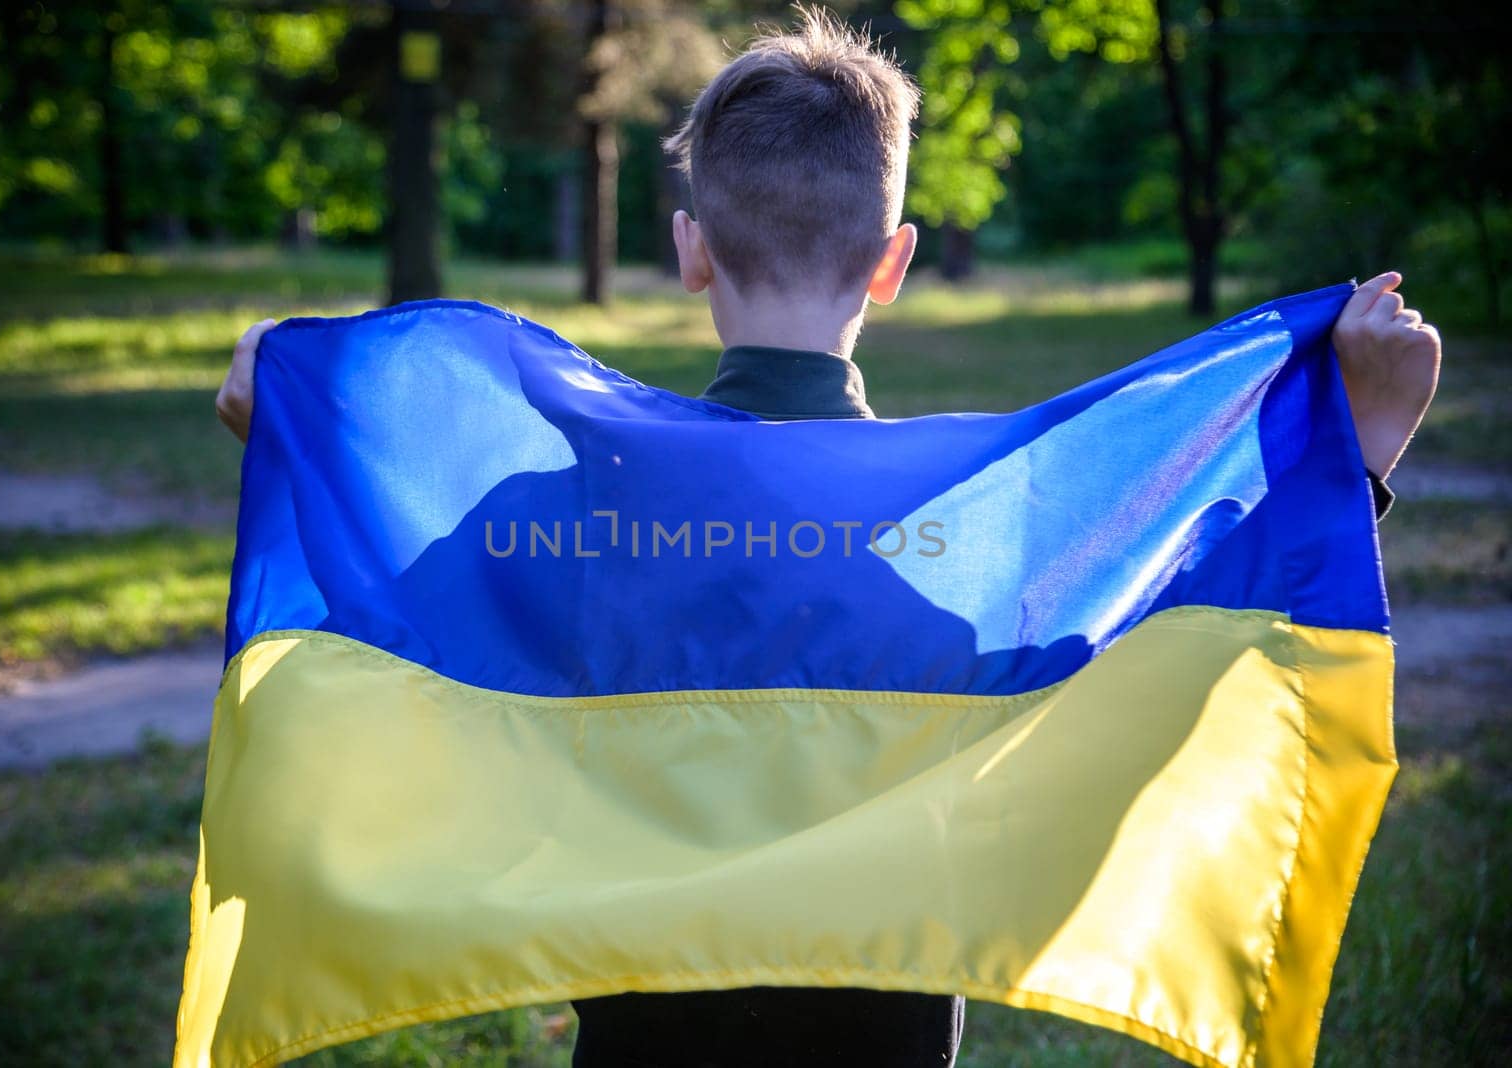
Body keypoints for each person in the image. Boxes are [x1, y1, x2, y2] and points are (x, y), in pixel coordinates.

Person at [213, 9, 1440, 1065]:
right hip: (885, 1041)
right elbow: (1161, 657)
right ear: (894, 261)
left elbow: (407, 610)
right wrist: (1359, 456)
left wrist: (300, 441)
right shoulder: (966, 535)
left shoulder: (573, 513)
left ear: (690, 248)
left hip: (644, 1039)